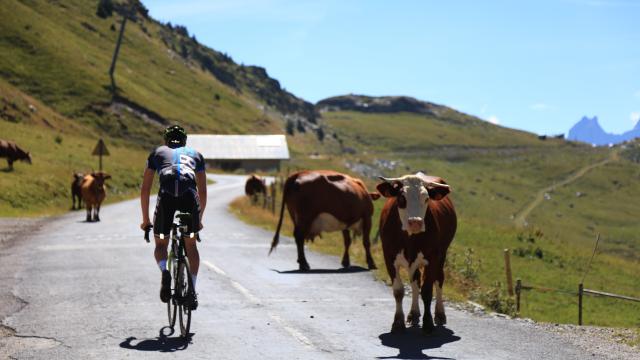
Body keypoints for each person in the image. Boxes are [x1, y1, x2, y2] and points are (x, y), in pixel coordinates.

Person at [140, 125, 207, 310]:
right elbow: (202, 191)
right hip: (189, 196)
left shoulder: (157, 153)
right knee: (191, 244)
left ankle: (164, 271)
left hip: (167, 196)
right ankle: (192, 288)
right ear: (185, 141)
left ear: (165, 141)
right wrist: (198, 220)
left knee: (161, 242)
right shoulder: (196, 154)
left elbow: (145, 189)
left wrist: (146, 220)